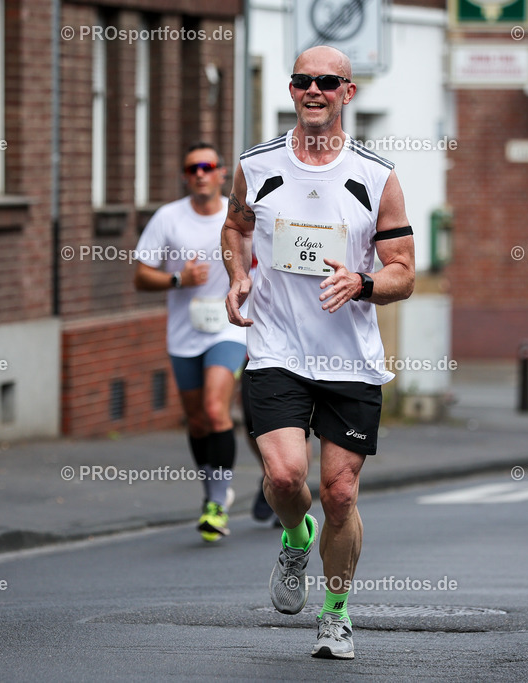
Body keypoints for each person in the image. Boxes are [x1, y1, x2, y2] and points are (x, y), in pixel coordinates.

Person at [221, 46, 415, 660]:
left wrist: (360, 284)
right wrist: (236, 276)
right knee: (283, 477)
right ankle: (295, 534)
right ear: (291, 89)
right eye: (304, 81)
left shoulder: (376, 177)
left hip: (349, 359)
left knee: (339, 493)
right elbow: (236, 226)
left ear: (347, 93)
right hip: (276, 345)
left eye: (327, 82)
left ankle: (336, 613)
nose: (314, 91)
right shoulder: (255, 165)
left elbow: (404, 272)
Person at [134, 142, 246, 542]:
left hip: (228, 329)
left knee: (217, 410)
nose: (200, 173)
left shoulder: (237, 216)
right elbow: (141, 274)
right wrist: (178, 279)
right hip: (184, 334)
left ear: (220, 173)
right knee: (197, 420)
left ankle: (217, 504)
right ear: (185, 176)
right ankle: (212, 492)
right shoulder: (169, 218)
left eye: (208, 166)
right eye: (192, 167)